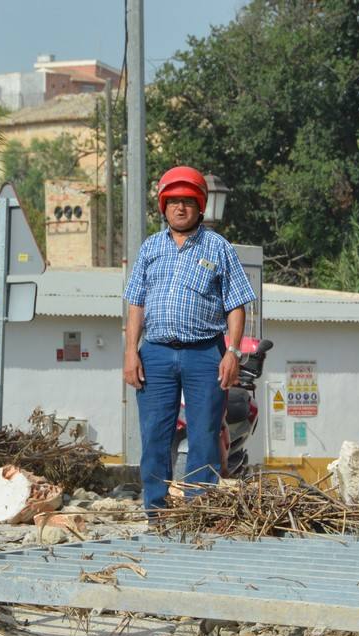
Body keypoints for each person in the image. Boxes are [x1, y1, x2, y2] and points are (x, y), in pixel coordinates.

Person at [123, 165, 256, 514]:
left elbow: (236, 305)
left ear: (200, 206)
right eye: (173, 202)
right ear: (164, 206)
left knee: (204, 434)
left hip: (205, 353)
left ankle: (198, 511)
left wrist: (232, 353)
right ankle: (157, 511)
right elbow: (135, 303)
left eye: (187, 202)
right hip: (155, 353)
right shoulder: (150, 248)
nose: (180, 208)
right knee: (154, 435)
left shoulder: (219, 248)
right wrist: (130, 354)